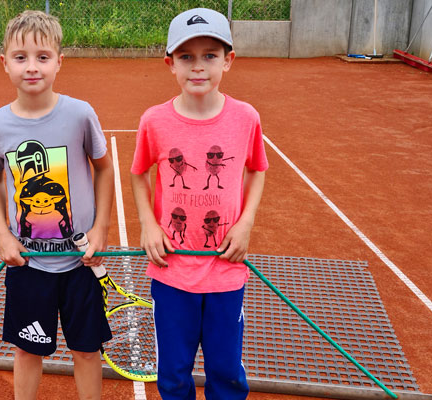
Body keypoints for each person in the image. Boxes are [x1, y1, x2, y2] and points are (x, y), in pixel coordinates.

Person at [0, 10, 114, 400]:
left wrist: (101, 228)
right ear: (4, 63)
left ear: (59, 62)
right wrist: (3, 233)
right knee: (27, 349)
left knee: (87, 351)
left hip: (80, 263)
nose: (32, 67)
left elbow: (104, 170)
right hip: (28, 264)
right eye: (20, 57)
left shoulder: (80, 114)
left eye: (42, 57)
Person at [130, 8, 269, 399]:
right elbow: (138, 172)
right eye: (186, 56)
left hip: (226, 271)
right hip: (171, 272)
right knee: (173, 373)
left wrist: (245, 224)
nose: (198, 66)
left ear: (229, 60)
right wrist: (148, 224)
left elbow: (257, 169)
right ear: (170, 63)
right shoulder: (154, 121)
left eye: (210, 55)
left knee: (225, 371)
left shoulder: (245, 118)